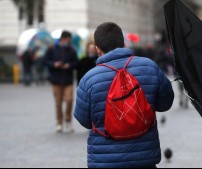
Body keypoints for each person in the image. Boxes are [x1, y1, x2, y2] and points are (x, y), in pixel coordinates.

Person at [74, 22, 174, 168]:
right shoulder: (149, 67)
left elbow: (84, 120)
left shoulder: (89, 79)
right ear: (124, 43)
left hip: (105, 160)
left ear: (97, 49)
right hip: (144, 157)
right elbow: (165, 104)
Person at [45, 31, 78, 133]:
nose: (69, 41)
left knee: (69, 100)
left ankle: (68, 121)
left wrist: (69, 65)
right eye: (69, 39)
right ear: (64, 38)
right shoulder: (52, 49)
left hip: (68, 80)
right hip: (56, 80)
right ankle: (59, 123)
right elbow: (46, 61)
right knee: (58, 103)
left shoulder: (72, 50)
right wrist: (54, 64)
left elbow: (76, 63)